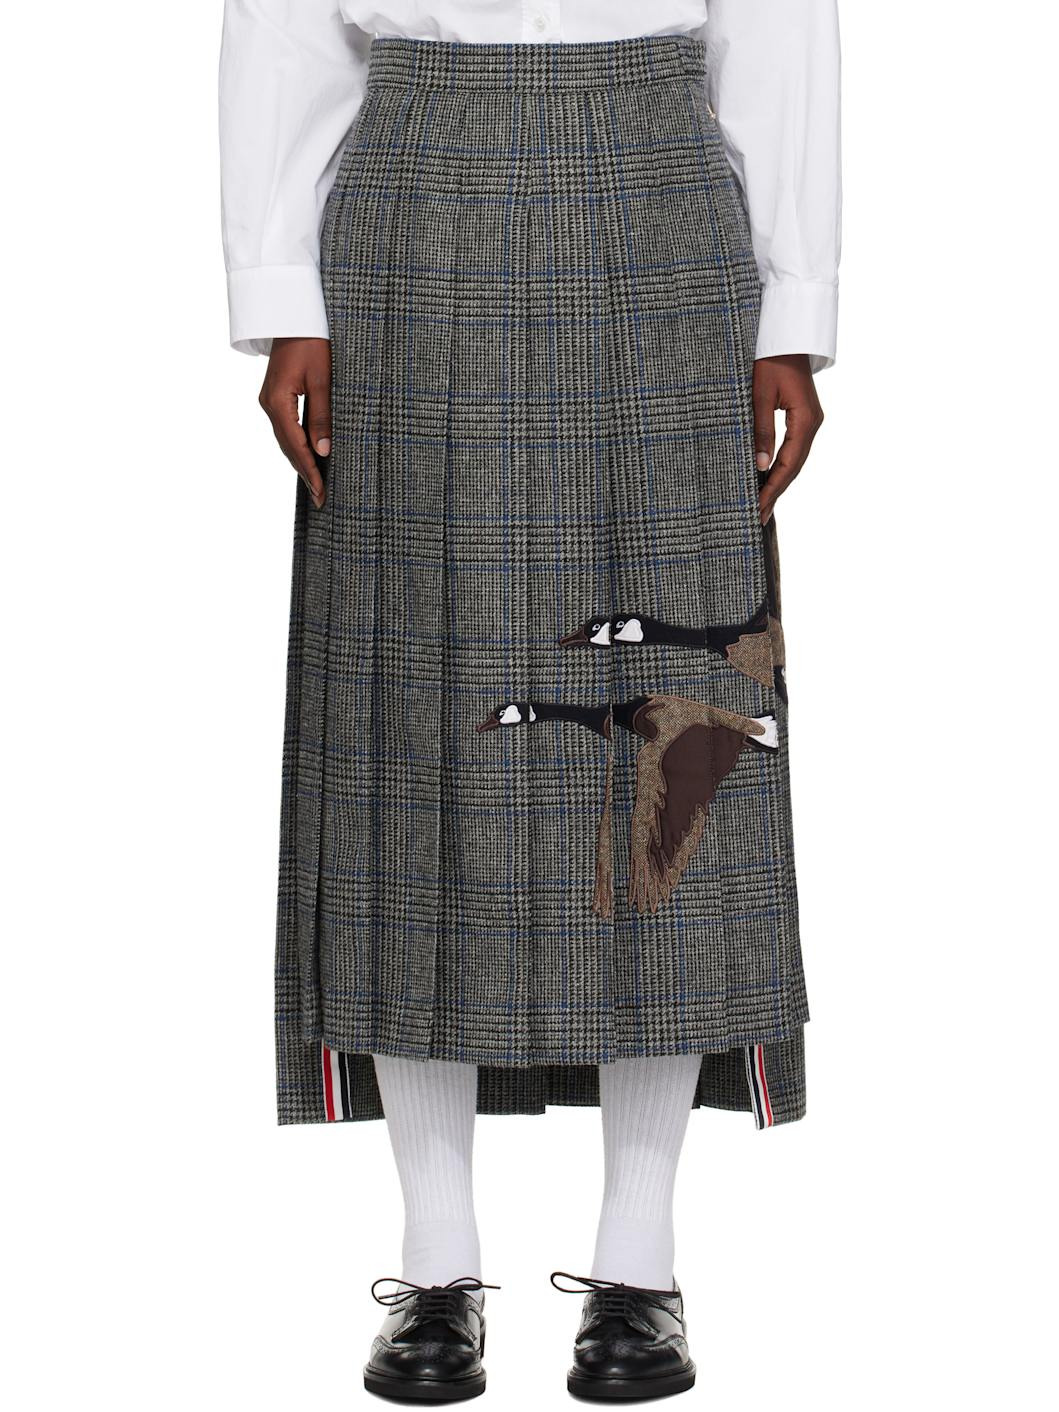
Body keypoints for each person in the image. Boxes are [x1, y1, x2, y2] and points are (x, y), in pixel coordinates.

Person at [218, 1, 840, 1401]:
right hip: (410, 203)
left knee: (669, 711)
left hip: (663, 200)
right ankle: (435, 1269)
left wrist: (794, 306)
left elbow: (780, 25)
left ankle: (641, 1267)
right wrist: (280, 291)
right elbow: (284, 25)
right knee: (417, 726)